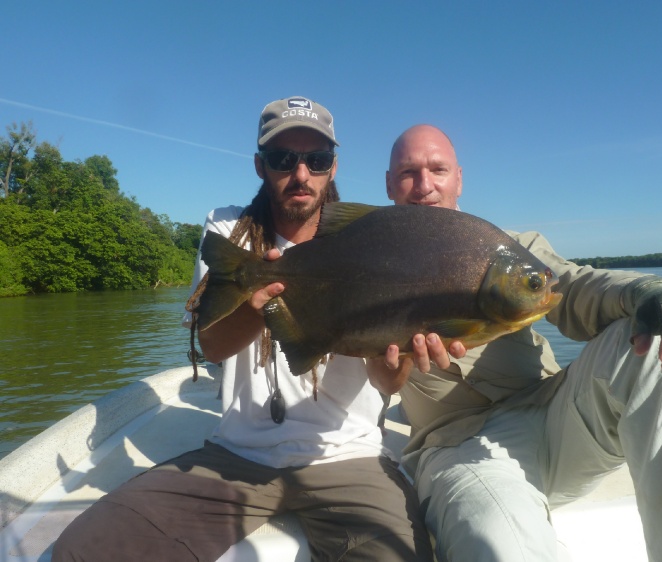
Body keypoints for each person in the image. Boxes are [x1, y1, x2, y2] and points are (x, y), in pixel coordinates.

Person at [52, 98, 433, 562]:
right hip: (239, 455)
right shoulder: (230, 230)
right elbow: (212, 347)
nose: (301, 174)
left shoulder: (370, 238)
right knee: (85, 550)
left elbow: (387, 383)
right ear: (260, 165)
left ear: (333, 168)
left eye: (316, 159)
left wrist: (401, 359)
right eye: (282, 158)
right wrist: (258, 307)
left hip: (349, 456)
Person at [370, 124, 662, 561]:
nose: (424, 186)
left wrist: (646, 291)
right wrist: (393, 368)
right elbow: (374, 380)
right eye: (407, 172)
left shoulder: (510, 252)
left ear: (459, 179)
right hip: (457, 445)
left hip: (558, 416)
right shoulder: (367, 275)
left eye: (437, 169)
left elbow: (578, 286)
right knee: (498, 545)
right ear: (388, 185)